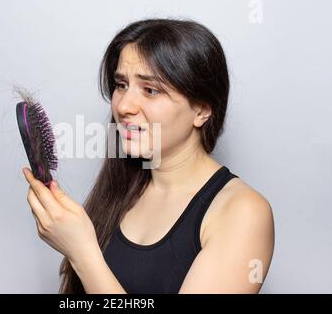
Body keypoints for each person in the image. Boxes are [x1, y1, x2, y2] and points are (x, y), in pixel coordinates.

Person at [22, 18, 275, 294]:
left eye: (150, 90)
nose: (124, 106)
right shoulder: (122, 188)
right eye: (121, 84)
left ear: (201, 110)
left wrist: (83, 253)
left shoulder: (244, 212)